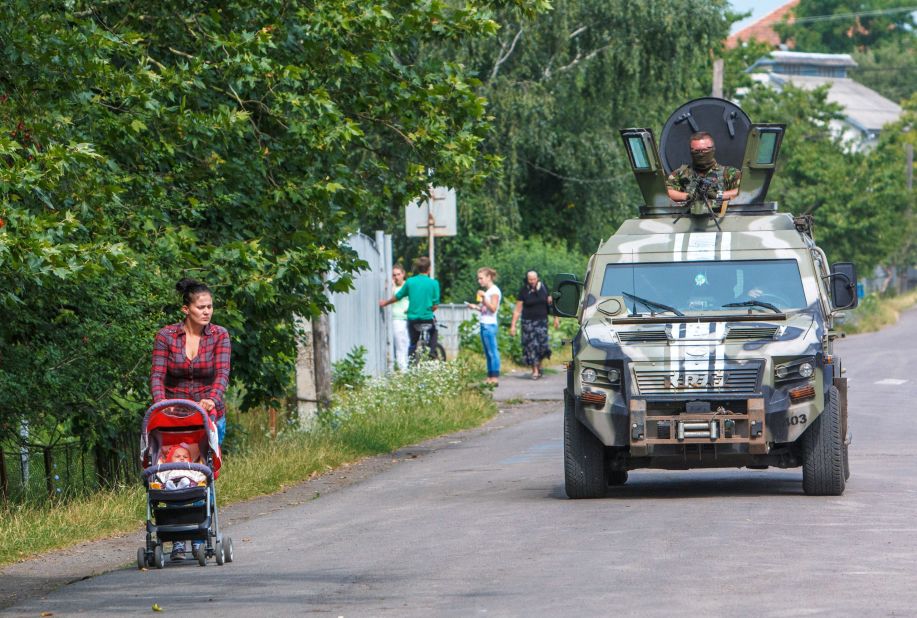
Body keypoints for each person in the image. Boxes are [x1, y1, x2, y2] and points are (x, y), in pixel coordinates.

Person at [151, 278, 231, 444]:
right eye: (201, 307)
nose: (207, 312)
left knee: (206, 464)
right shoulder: (166, 336)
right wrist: (161, 403)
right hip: (173, 415)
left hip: (209, 414)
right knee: (171, 461)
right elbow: (157, 375)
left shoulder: (219, 335)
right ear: (186, 309)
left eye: (209, 307)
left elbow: (222, 372)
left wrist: (212, 399)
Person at [379, 256, 440, 361]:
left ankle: (411, 361)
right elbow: (435, 305)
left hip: (413, 319)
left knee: (412, 342)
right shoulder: (434, 283)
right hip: (427, 318)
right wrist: (428, 311)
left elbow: (398, 296)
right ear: (429, 269)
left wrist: (385, 303)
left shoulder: (410, 282)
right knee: (434, 332)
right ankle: (432, 352)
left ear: (417, 268)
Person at [154, 444, 207, 561]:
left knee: (200, 494)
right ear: (168, 461)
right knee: (169, 492)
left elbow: (203, 474)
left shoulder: (193, 469)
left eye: (185, 456)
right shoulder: (166, 469)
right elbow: (156, 469)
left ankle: (198, 543)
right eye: (177, 456)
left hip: (191, 488)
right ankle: (178, 543)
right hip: (171, 491)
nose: (182, 458)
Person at [666, 131, 741, 205]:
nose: (701, 154)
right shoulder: (681, 173)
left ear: (713, 149)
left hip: (722, 215)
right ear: (691, 151)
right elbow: (666, 191)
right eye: (696, 151)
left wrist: (718, 195)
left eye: (705, 150)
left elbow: (743, 191)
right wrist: (689, 196)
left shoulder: (729, 173)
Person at [509, 270, 560, 380]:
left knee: (542, 346)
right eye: (530, 279)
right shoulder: (524, 291)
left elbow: (551, 305)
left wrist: (556, 318)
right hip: (528, 323)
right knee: (531, 347)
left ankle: (539, 365)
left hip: (542, 322)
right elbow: (517, 310)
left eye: (534, 279)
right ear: (527, 280)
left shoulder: (544, 288)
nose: (532, 281)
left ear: (537, 278)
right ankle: (535, 370)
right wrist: (513, 325)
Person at [467, 267, 501, 385]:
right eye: (478, 278)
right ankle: (490, 376)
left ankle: (495, 377)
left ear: (488, 277)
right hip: (484, 323)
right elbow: (485, 309)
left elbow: (493, 308)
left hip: (489, 324)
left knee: (492, 351)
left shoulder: (494, 291)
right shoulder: (488, 292)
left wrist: (483, 298)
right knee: (487, 352)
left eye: (481, 278)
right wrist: (475, 307)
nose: (479, 281)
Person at [389, 264, 410, 370]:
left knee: (408, 344)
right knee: (400, 346)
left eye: (398, 274)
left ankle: (408, 368)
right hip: (397, 319)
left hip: (409, 319)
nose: (396, 277)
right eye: (394, 275)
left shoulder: (407, 286)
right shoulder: (392, 288)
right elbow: (390, 299)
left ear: (403, 274)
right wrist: (392, 286)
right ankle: (403, 370)